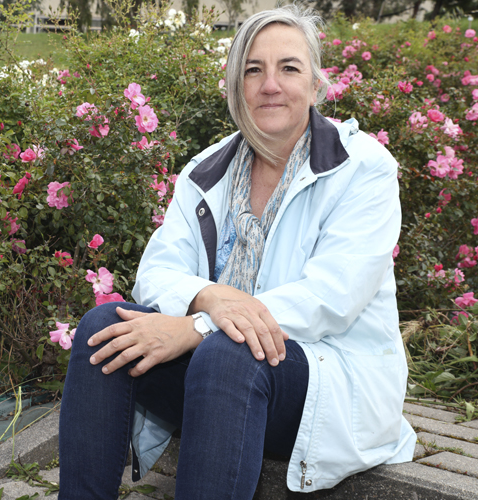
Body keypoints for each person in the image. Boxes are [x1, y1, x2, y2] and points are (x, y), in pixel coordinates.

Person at [58, 5, 417, 499]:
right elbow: (158, 270)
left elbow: (332, 297)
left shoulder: (364, 169)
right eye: (253, 70)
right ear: (236, 88)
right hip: (218, 383)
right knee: (103, 329)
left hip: (327, 386)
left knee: (230, 352)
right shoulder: (207, 171)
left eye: (288, 68)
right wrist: (207, 299)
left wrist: (197, 327)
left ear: (315, 85)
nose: (270, 84)